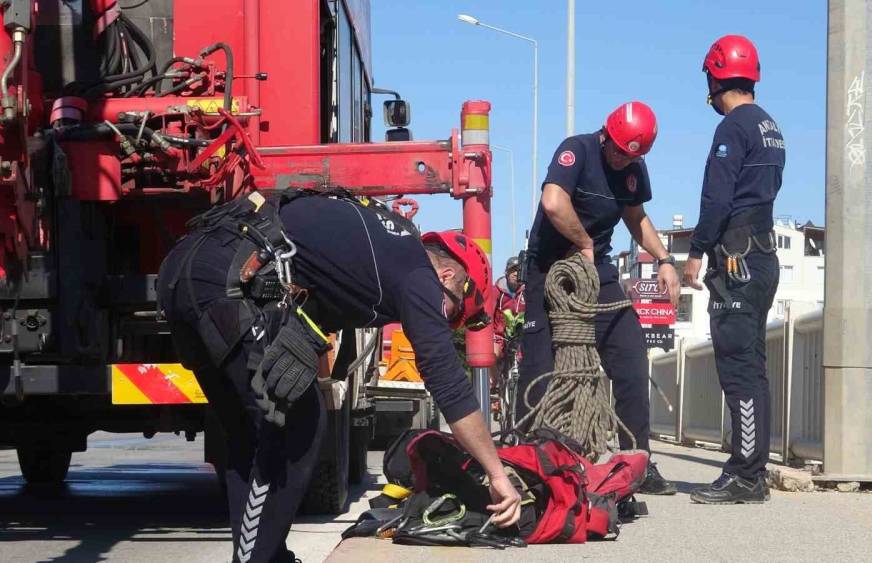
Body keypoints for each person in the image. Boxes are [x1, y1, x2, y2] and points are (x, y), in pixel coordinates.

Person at [157, 189, 521, 562]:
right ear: (448, 275)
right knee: (298, 421)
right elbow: (448, 382)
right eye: (453, 310)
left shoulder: (382, 251)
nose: (443, 320)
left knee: (251, 433)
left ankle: (267, 555)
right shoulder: (418, 273)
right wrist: (496, 473)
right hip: (226, 276)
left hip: (184, 271)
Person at [518, 101, 681, 495]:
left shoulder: (633, 168)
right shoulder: (577, 149)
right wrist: (583, 242)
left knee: (630, 355)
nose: (623, 162)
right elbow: (553, 201)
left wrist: (664, 259)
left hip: (598, 272)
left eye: (632, 158)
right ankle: (527, 462)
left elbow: (636, 217)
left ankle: (637, 462)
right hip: (550, 268)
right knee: (540, 366)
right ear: (607, 135)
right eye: (620, 153)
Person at [683, 35, 784, 504]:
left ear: (714, 77)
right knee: (753, 367)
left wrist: (696, 251)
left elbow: (718, 199)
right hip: (762, 258)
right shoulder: (770, 125)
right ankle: (752, 472)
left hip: (736, 262)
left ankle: (745, 474)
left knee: (738, 368)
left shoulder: (732, 127)